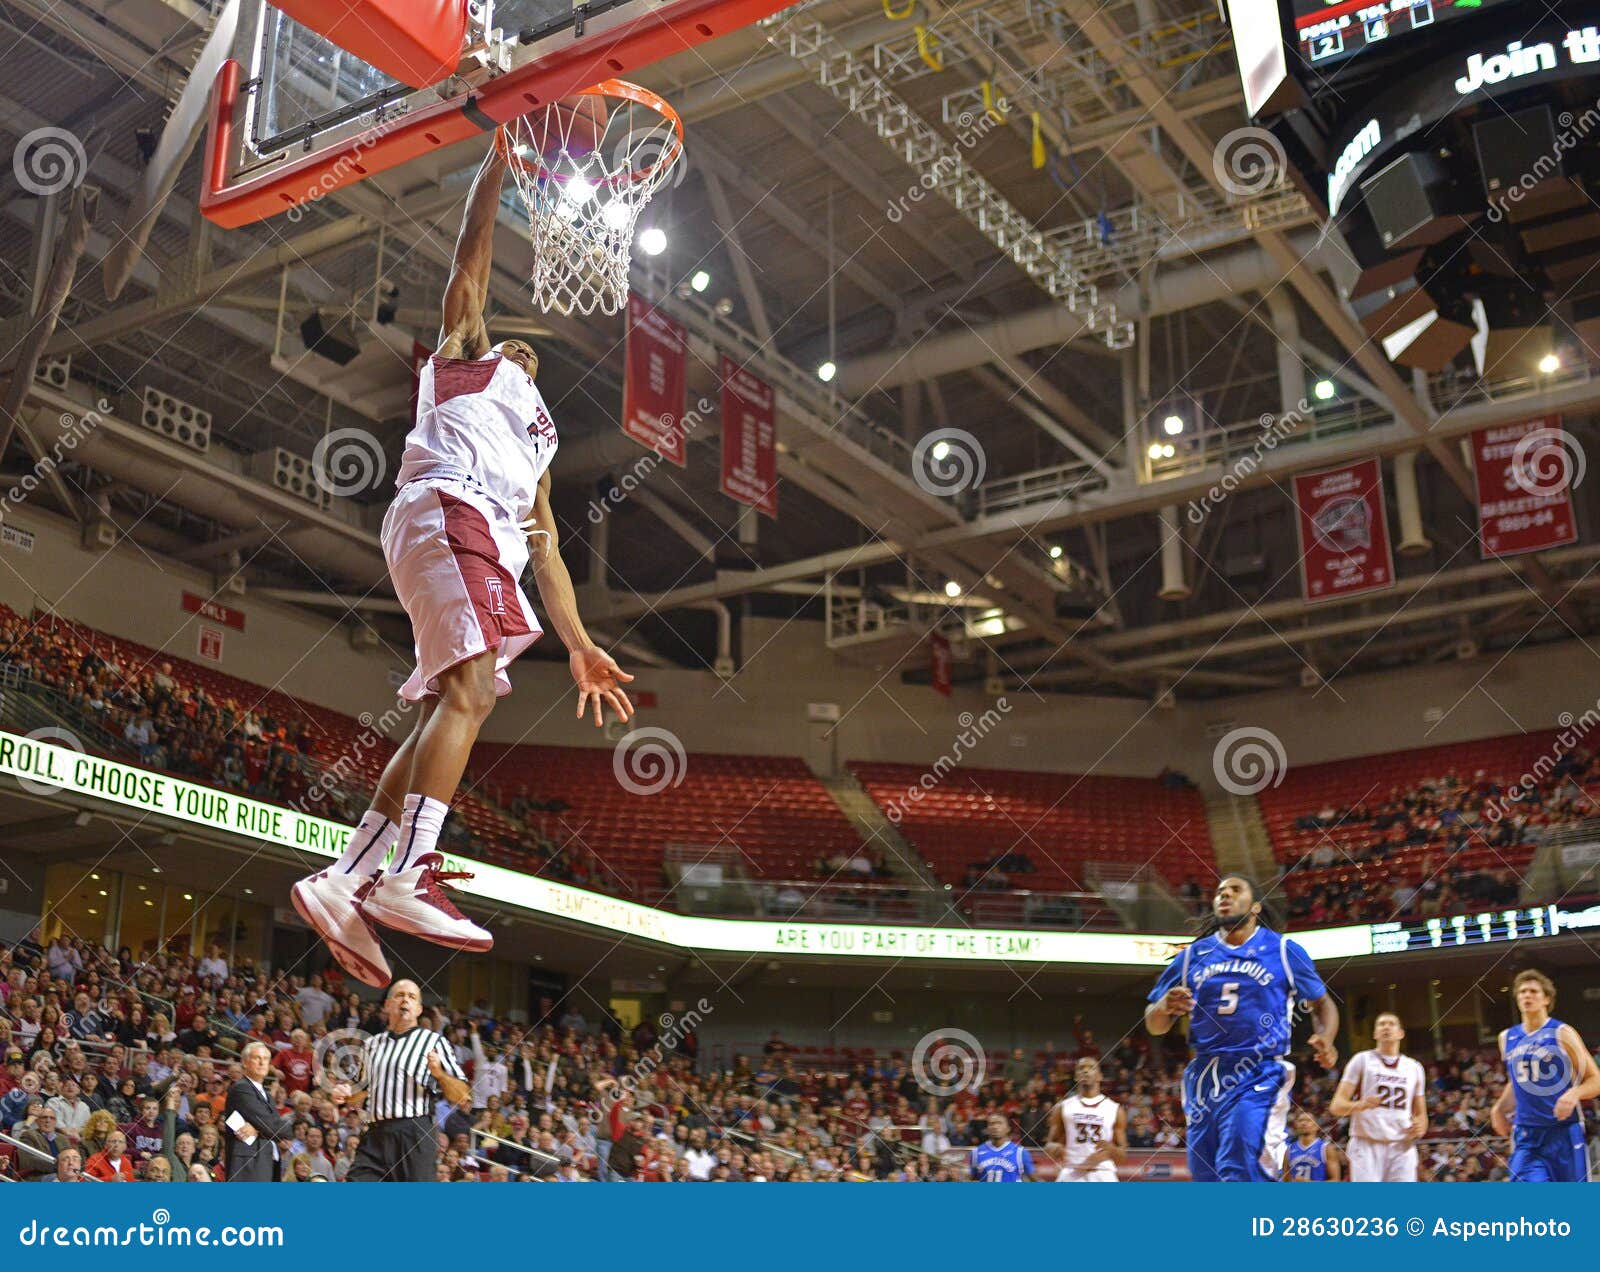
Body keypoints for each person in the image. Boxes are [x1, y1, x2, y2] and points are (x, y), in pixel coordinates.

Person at [288, 136, 634, 989]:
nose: (523, 357)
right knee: (472, 695)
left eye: (532, 359)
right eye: (516, 346)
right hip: (447, 510)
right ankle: (410, 873)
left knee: (452, 703)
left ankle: (346, 879)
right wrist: (496, 165)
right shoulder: (466, 361)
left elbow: (548, 548)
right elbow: (470, 260)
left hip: (481, 540)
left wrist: (580, 641)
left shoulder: (540, 443)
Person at [1145, 875, 1339, 1182]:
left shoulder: (1284, 950)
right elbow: (1154, 1025)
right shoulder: (1192, 956)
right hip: (1205, 1074)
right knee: (1205, 1171)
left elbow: (1322, 1003)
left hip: (1258, 1070)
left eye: (1236, 890)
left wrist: (1326, 1038)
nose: (1225, 895)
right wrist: (1163, 1007)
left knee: (1241, 1162)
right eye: (1220, 892)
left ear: (1255, 906)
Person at [331, 979, 469, 1182]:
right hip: (376, 1133)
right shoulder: (371, 1044)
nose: (405, 1000)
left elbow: (463, 1095)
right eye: (400, 995)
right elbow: (362, 1091)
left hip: (414, 1133)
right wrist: (344, 1094)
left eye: (412, 997)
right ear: (387, 1005)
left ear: (419, 1009)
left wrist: (439, 1074)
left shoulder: (433, 1041)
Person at [1490, 968, 1600, 1182]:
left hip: (1563, 1131)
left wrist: (1574, 1094)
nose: (1526, 995)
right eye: (1522, 992)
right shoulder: (1506, 1037)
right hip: (1526, 1134)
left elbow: (1595, 1079)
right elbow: (1518, 1081)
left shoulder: (1562, 1033)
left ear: (1546, 999)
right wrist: (1499, 1108)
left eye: (1533, 991)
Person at [1330, 1011, 1426, 1181]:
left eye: (1391, 1024)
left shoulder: (1414, 1067)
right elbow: (1336, 1106)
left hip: (1401, 1145)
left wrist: (1421, 1127)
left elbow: (1421, 1115)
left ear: (1400, 1033)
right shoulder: (1361, 1060)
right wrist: (1361, 1105)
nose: (1386, 1027)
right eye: (1381, 1024)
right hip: (1367, 1144)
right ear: (1375, 1033)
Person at [1045, 1057, 1126, 1182]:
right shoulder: (1062, 1107)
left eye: (1091, 1068)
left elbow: (1122, 1156)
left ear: (1100, 1076)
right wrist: (1054, 1147)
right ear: (1076, 1076)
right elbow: (1048, 1145)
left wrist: (1112, 1149)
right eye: (1081, 1068)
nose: (1085, 1071)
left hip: (1102, 1172)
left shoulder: (1115, 1109)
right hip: (1072, 1170)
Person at [224, 1041, 294, 1182]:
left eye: (266, 1059)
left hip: (268, 1160)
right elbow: (270, 1124)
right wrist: (288, 1130)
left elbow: (269, 1127)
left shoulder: (267, 1095)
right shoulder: (242, 1088)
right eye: (257, 1058)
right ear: (245, 1062)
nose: (262, 1063)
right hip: (249, 1164)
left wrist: (257, 1129)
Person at [970, 1113, 1033, 1181]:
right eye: (992, 1124)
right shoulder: (976, 1152)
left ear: (1008, 1128)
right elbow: (973, 1178)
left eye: (999, 1123)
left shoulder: (1020, 1152)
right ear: (987, 1129)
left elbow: (1033, 1177)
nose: (995, 1127)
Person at [1283, 1111, 1341, 1181]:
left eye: (1308, 1120)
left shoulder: (1326, 1148)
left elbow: (1336, 1180)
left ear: (1316, 1126)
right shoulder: (1289, 1150)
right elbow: (1285, 1180)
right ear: (1296, 1125)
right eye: (1300, 1120)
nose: (1303, 1123)